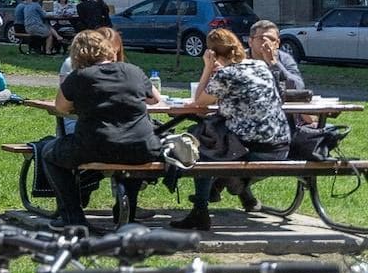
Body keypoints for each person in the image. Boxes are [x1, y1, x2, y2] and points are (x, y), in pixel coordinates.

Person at [167, 28, 290, 229]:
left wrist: (207, 68)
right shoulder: (260, 66)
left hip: (253, 148)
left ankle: (201, 209)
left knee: (199, 143)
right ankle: (236, 191)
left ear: (213, 53)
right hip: (280, 145)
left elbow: (199, 103)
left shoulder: (226, 74)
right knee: (211, 135)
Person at [43, 28, 163, 228]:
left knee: (49, 153)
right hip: (142, 146)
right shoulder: (133, 71)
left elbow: (61, 107)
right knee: (131, 160)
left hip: (95, 144)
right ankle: (128, 213)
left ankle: (73, 218)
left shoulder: (79, 77)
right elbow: (155, 99)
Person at [248, 20, 306, 95]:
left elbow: (298, 86)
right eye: (262, 38)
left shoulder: (285, 58)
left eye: (272, 39)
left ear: (277, 43)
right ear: (250, 42)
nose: (267, 43)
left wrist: (274, 63)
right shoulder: (240, 59)